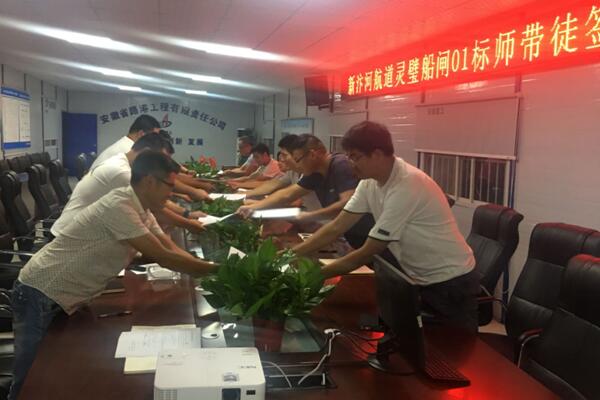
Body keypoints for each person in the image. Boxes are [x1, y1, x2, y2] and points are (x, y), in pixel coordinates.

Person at [8, 151, 216, 400]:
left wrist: (201, 265)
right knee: (30, 381)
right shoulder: (119, 206)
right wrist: (218, 270)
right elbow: (164, 257)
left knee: (54, 374)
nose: (172, 192)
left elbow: (168, 248)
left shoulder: (142, 210)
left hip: (65, 296)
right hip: (41, 291)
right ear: (150, 181)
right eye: (169, 185)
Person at [291, 121, 479, 332]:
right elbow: (336, 227)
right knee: (413, 341)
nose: (350, 163)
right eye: (349, 157)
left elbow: (368, 251)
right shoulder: (369, 182)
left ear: (378, 154)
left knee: (454, 347)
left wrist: (312, 276)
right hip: (416, 278)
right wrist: (289, 255)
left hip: (451, 282)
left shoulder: (407, 185)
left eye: (355, 157)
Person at [50, 134, 206, 237]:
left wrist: (185, 215)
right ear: (146, 152)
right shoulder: (121, 172)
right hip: (67, 236)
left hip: (85, 232)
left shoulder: (124, 162)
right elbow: (154, 208)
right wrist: (187, 219)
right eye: (160, 160)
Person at [238, 134, 374, 249]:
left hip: (364, 234)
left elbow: (346, 204)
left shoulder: (340, 164)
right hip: (345, 234)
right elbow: (287, 194)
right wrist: (252, 208)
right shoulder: (315, 173)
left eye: (298, 160)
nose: (297, 164)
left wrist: (310, 216)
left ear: (313, 155)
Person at [242, 135, 321, 213]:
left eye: (284, 155)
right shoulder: (292, 171)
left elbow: (287, 195)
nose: (282, 160)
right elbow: (273, 184)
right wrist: (245, 194)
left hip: (311, 215)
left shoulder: (310, 172)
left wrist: (256, 204)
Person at [91, 114, 160, 169]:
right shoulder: (130, 151)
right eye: (154, 136)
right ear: (141, 134)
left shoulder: (125, 143)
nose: (156, 140)